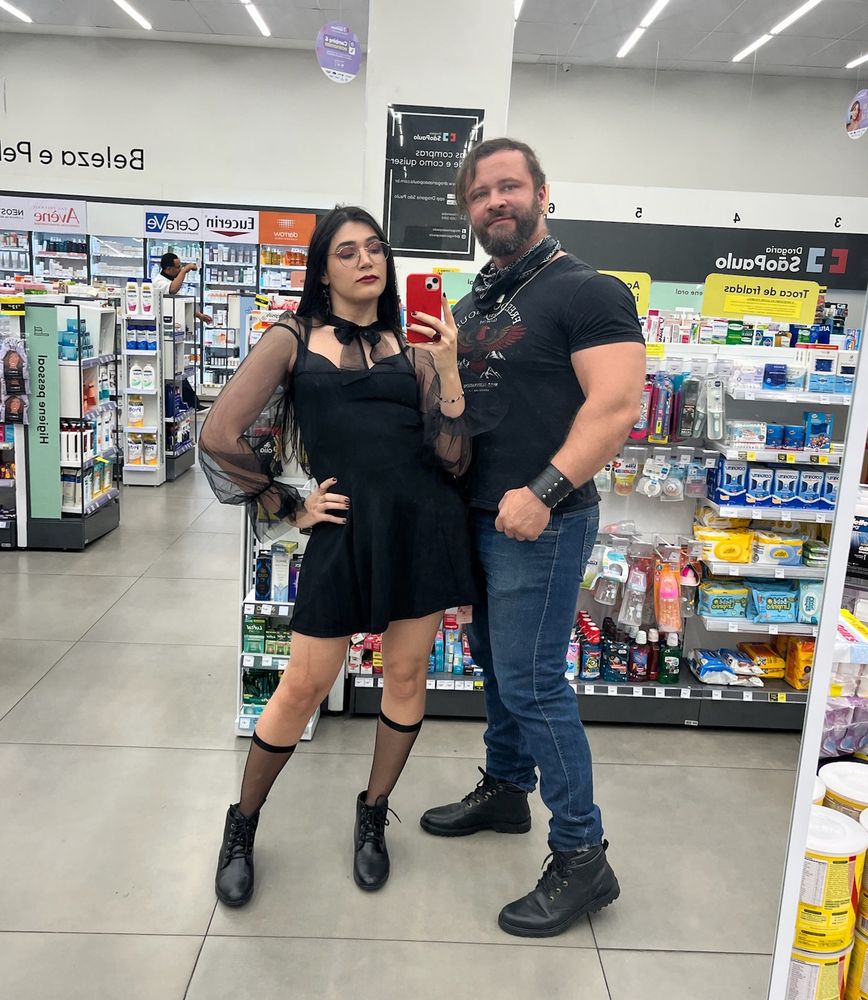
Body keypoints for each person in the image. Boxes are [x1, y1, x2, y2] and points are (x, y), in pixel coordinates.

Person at [198, 205, 477, 907]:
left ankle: (374, 812)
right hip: (345, 527)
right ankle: (242, 824)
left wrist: (448, 370)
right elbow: (220, 434)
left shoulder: (414, 347)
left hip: (420, 527)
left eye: (374, 248)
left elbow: (454, 459)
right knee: (303, 685)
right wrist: (288, 503)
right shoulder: (290, 338)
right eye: (347, 251)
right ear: (322, 270)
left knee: (406, 676)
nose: (365, 260)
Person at [419, 138, 646, 939]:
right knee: (495, 664)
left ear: (542, 193)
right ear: (469, 211)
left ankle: (583, 856)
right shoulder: (475, 299)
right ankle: (508, 789)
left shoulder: (589, 290)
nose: (495, 202)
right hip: (479, 516)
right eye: (480, 194)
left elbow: (616, 406)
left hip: (543, 521)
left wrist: (544, 492)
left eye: (509, 186)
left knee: (534, 684)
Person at [153, 252, 213, 410]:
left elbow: (180, 302)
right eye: (177, 267)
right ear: (168, 269)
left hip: (173, 333)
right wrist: (185, 270)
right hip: (162, 335)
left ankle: (191, 402)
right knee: (174, 369)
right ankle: (191, 403)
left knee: (177, 369)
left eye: (181, 266)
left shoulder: (170, 279)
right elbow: (173, 290)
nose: (180, 269)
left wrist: (199, 315)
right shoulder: (159, 282)